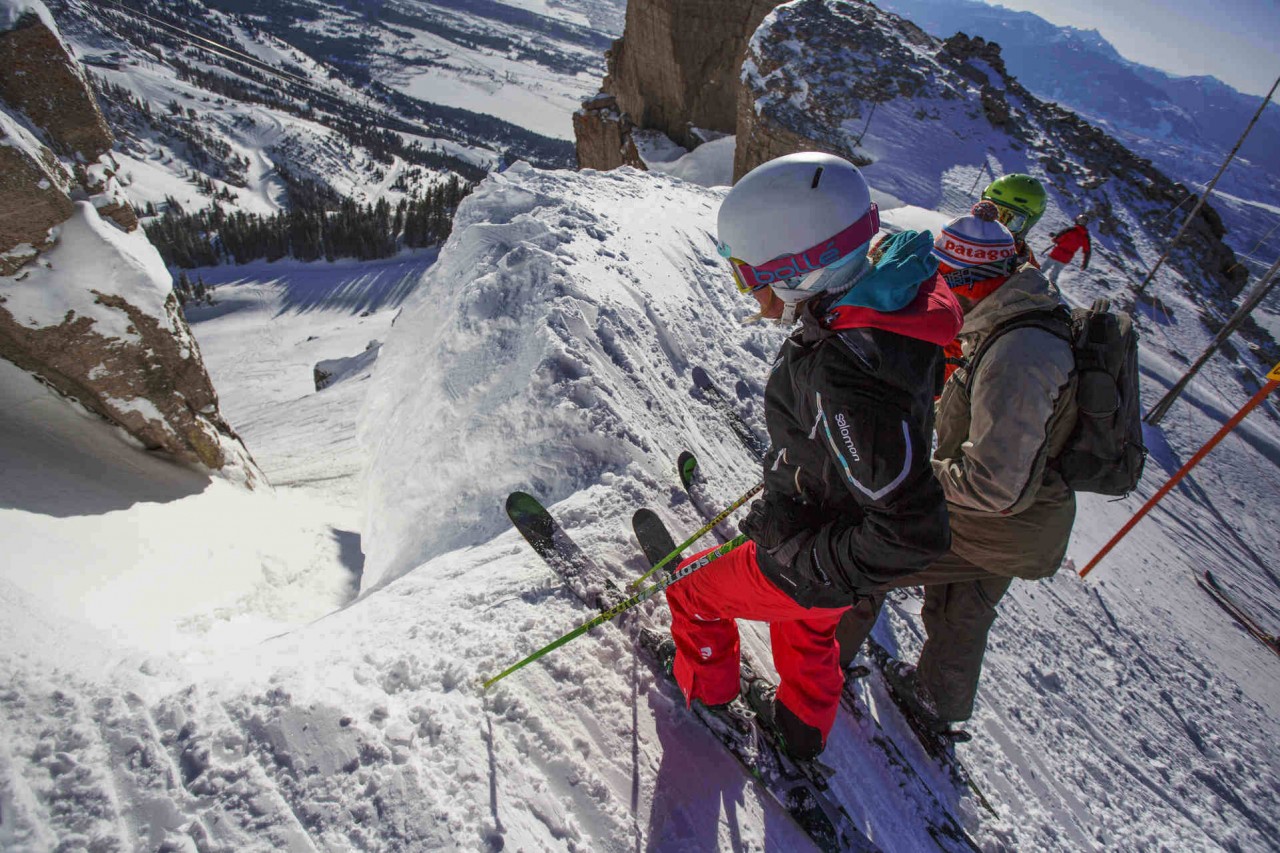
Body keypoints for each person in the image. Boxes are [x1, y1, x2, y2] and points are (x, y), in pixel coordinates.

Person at [662, 152, 962, 760]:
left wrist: (804, 553)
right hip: (831, 541)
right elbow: (874, 448)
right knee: (808, 629)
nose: (752, 290)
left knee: (691, 593)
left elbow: (914, 533)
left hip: (811, 553)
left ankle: (707, 691)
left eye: (754, 274)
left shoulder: (844, 373)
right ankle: (802, 726)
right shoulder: (886, 305)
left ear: (803, 267)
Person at [835, 201, 1079, 733]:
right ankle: (938, 700)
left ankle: (817, 665)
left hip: (1003, 520)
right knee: (962, 606)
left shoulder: (1019, 354)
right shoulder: (1017, 315)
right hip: (1027, 526)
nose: (937, 293)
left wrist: (908, 474)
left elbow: (994, 485)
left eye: (944, 280)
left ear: (970, 281)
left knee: (868, 551)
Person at [980, 173, 1047, 265]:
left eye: (1009, 220)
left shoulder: (1025, 267)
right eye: (986, 213)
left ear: (1026, 225)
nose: (994, 225)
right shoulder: (957, 232)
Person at [1041, 214, 1092, 283]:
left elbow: (1058, 238)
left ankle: (1032, 280)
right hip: (1067, 257)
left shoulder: (1070, 230)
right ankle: (1050, 288)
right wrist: (1085, 263)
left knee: (1044, 267)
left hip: (1057, 252)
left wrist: (1055, 239)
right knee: (1055, 273)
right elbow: (1087, 251)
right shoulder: (1085, 236)